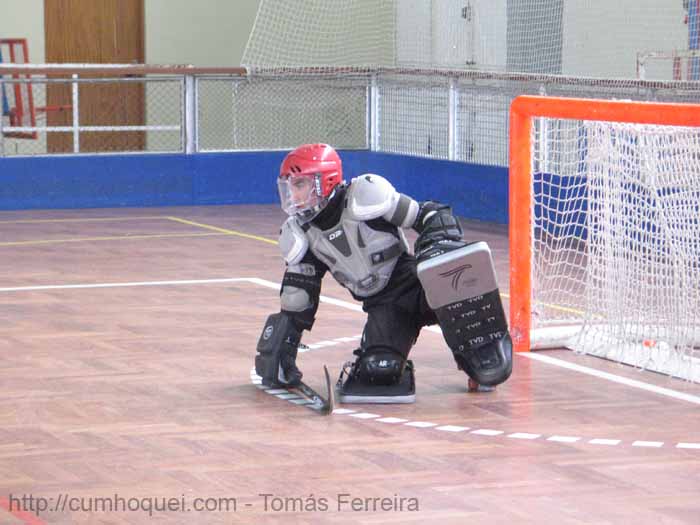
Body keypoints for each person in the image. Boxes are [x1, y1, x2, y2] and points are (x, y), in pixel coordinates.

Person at [255, 143, 512, 403]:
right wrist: (280, 350)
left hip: (419, 286)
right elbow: (298, 299)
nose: (292, 193)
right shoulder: (302, 234)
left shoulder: (365, 195)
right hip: (385, 306)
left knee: (484, 352)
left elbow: (430, 215)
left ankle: (477, 354)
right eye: (289, 185)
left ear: (324, 180)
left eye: (299, 184)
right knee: (378, 371)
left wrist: (437, 248)